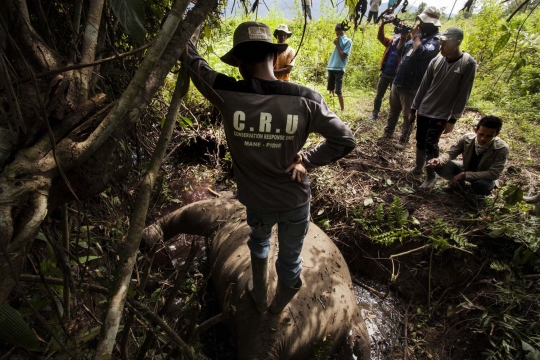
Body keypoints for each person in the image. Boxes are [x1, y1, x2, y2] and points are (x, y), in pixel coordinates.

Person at [187, 22, 356, 314]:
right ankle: (277, 309)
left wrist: (186, 37)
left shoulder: (226, 93)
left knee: (259, 241)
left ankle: (259, 294)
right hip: (294, 201)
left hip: (257, 201)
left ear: (239, 62)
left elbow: (196, 66)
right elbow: (345, 140)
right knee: (291, 260)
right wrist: (308, 159)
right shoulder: (307, 99)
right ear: (274, 57)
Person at [408, 27, 477, 188]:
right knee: (420, 141)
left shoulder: (467, 63)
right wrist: (413, 108)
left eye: (445, 44)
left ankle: (431, 176)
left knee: (431, 145)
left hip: (441, 114)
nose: (441, 48)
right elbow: (423, 86)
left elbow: (463, 93)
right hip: (424, 109)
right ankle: (418, 168)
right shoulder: (436, 60)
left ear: (457, 43)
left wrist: (453, 118)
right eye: (441, 44)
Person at [380, 6, 441, 146]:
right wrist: (403, 39)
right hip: (399, 79)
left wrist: (416, 36)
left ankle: (403, 140)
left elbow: (421, 52)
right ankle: (388, 133)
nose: (420, 23)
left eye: (423, 21)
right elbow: (402, 51)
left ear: (432, 23)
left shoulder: (435, 40)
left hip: (412, 84)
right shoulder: (420, 36)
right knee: (393, 110)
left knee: (408, 115)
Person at [427, 116, 509, 195]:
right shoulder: (466, 138)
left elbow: (493, 173)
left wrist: (464, 175)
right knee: (440, 165)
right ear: (476, 130)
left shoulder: (501, 148)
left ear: (496, 134)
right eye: (481, 134)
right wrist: (439, 160)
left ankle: (470, 191)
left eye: (489, 136)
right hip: (465, 168)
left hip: (483, 177)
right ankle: (458, 185)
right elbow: (451, 153)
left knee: (482, 186)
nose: (483, 139)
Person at [369, 15, 405, 121]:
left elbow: (410, 38)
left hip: (396, 75)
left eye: (398, 33)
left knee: (393, 98)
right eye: (396, 33)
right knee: (379, 95)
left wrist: (400, 25)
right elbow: (380, 37)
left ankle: (392, 116)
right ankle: (374, 114)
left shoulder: (405, 45)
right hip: (385, 73)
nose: (396, 35)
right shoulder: (390, 42)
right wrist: (383, 24)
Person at [327, 22, 353, 111]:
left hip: (339, 69)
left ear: (344, 32)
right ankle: (331, 107)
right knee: (330, 88)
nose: (339, 35)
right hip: (331, 67)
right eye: (337, 33)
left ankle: (342, 109)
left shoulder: (348, 41)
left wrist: (337, 45)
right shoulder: (337, 39)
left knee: (338, 90)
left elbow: (343, 56)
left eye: (340, 33)